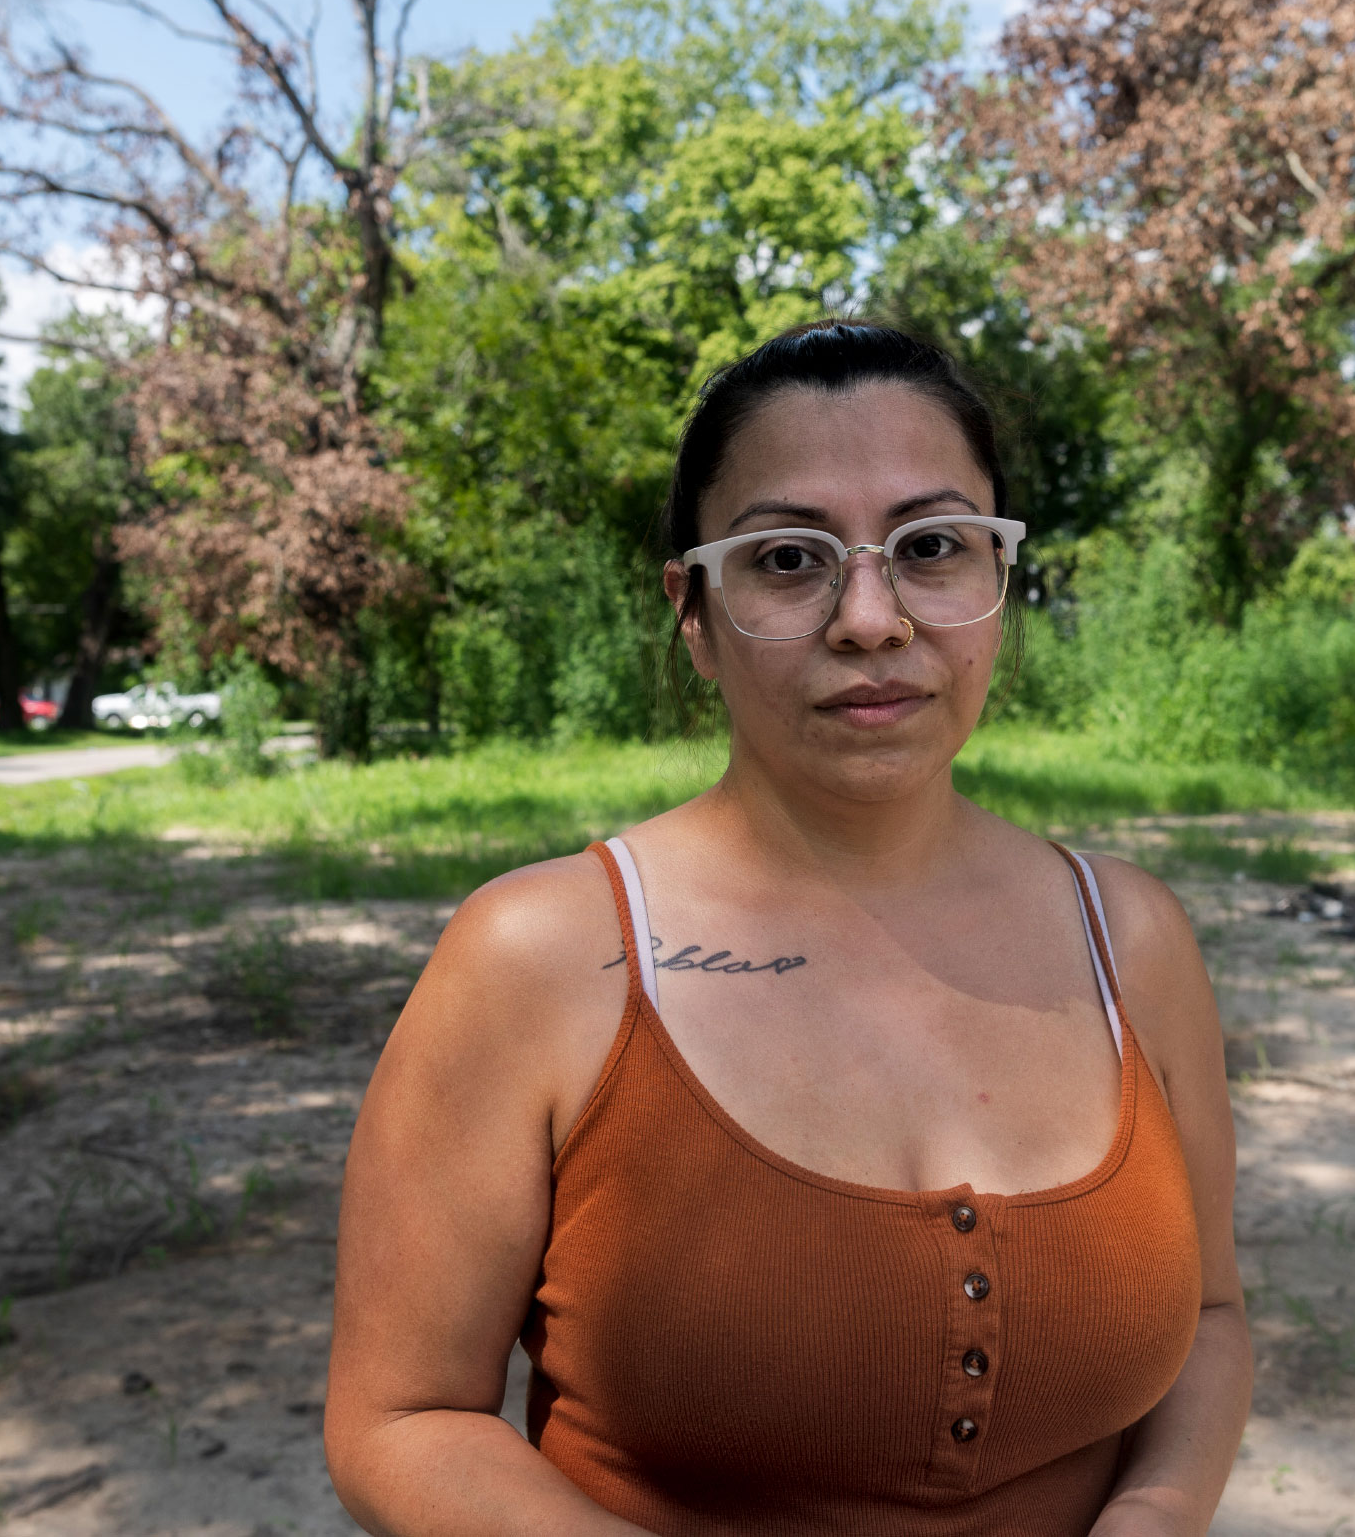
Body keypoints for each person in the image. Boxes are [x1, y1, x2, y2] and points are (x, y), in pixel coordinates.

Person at [324, 320, 1251, 1536]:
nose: (871, 618)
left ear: (997, 580)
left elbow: (1214, 1323)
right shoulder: (542, 957)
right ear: (695, 614)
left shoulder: (1128, 938)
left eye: (931, 547)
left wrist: (1157, 1516)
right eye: (786, 560)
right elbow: (401, 1419)